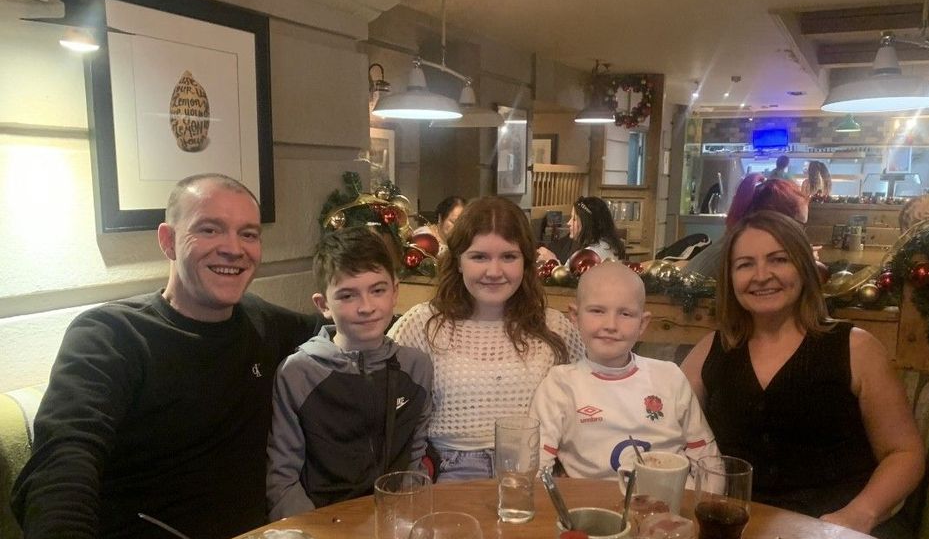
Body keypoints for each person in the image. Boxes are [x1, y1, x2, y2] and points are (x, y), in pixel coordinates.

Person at [11, 174, 321, 539]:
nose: (234, 248)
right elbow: (63, 461)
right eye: (210, 229)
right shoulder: (110, 336)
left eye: (249, 233)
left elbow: (354, 327)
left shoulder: (264, 325)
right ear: (167, 239)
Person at [680, 211, 925, 539]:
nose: (762, 275)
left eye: (778, 260)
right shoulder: (710, 350)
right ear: (730, 279)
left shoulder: (856, 348)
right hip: (736, 531)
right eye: (745, 264)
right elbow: (662, 423)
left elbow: (905, 453)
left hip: (840, 534)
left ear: (804, 268)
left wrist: (859, 514)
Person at [389, 196, 585, 481]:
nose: (494, 272)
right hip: (452, 469)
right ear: (458, 262)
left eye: (508, 256)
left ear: (526, 262)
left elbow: (590, 396)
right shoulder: (422, 325)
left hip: (535, 468)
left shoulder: (556, 327)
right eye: (479, 257)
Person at [266, 227, 433, 520]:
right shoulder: (298, 373)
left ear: (395, 292)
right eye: (347, 295)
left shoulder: (416, 367)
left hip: (398, 521)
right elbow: (283, 479)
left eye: (377, 290)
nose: (366, 307)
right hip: (326, 524)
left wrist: (411, 515)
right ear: (323, 305)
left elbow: (415, 457)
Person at [530, 262, 718, 478]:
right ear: (575, 316)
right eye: (597, 311)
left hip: (670, 504)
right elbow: (535, 465)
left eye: (625, 314)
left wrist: (698, 508)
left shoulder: (670, 377)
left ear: (643, 323)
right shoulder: (559, 385)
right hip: (594, 508)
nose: (611, 324)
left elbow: (707, 457)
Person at [684, 175, 808, 279]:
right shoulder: (734, 259)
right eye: (800, 225)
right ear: (774, 221)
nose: (803, 234)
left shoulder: (732, 248)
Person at [537, 196, 626, 264]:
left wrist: (552, 261)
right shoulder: (606, 245)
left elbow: (574, 282)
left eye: (574, 219)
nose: (569, 223)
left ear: (588, 223)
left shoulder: (591, 255)